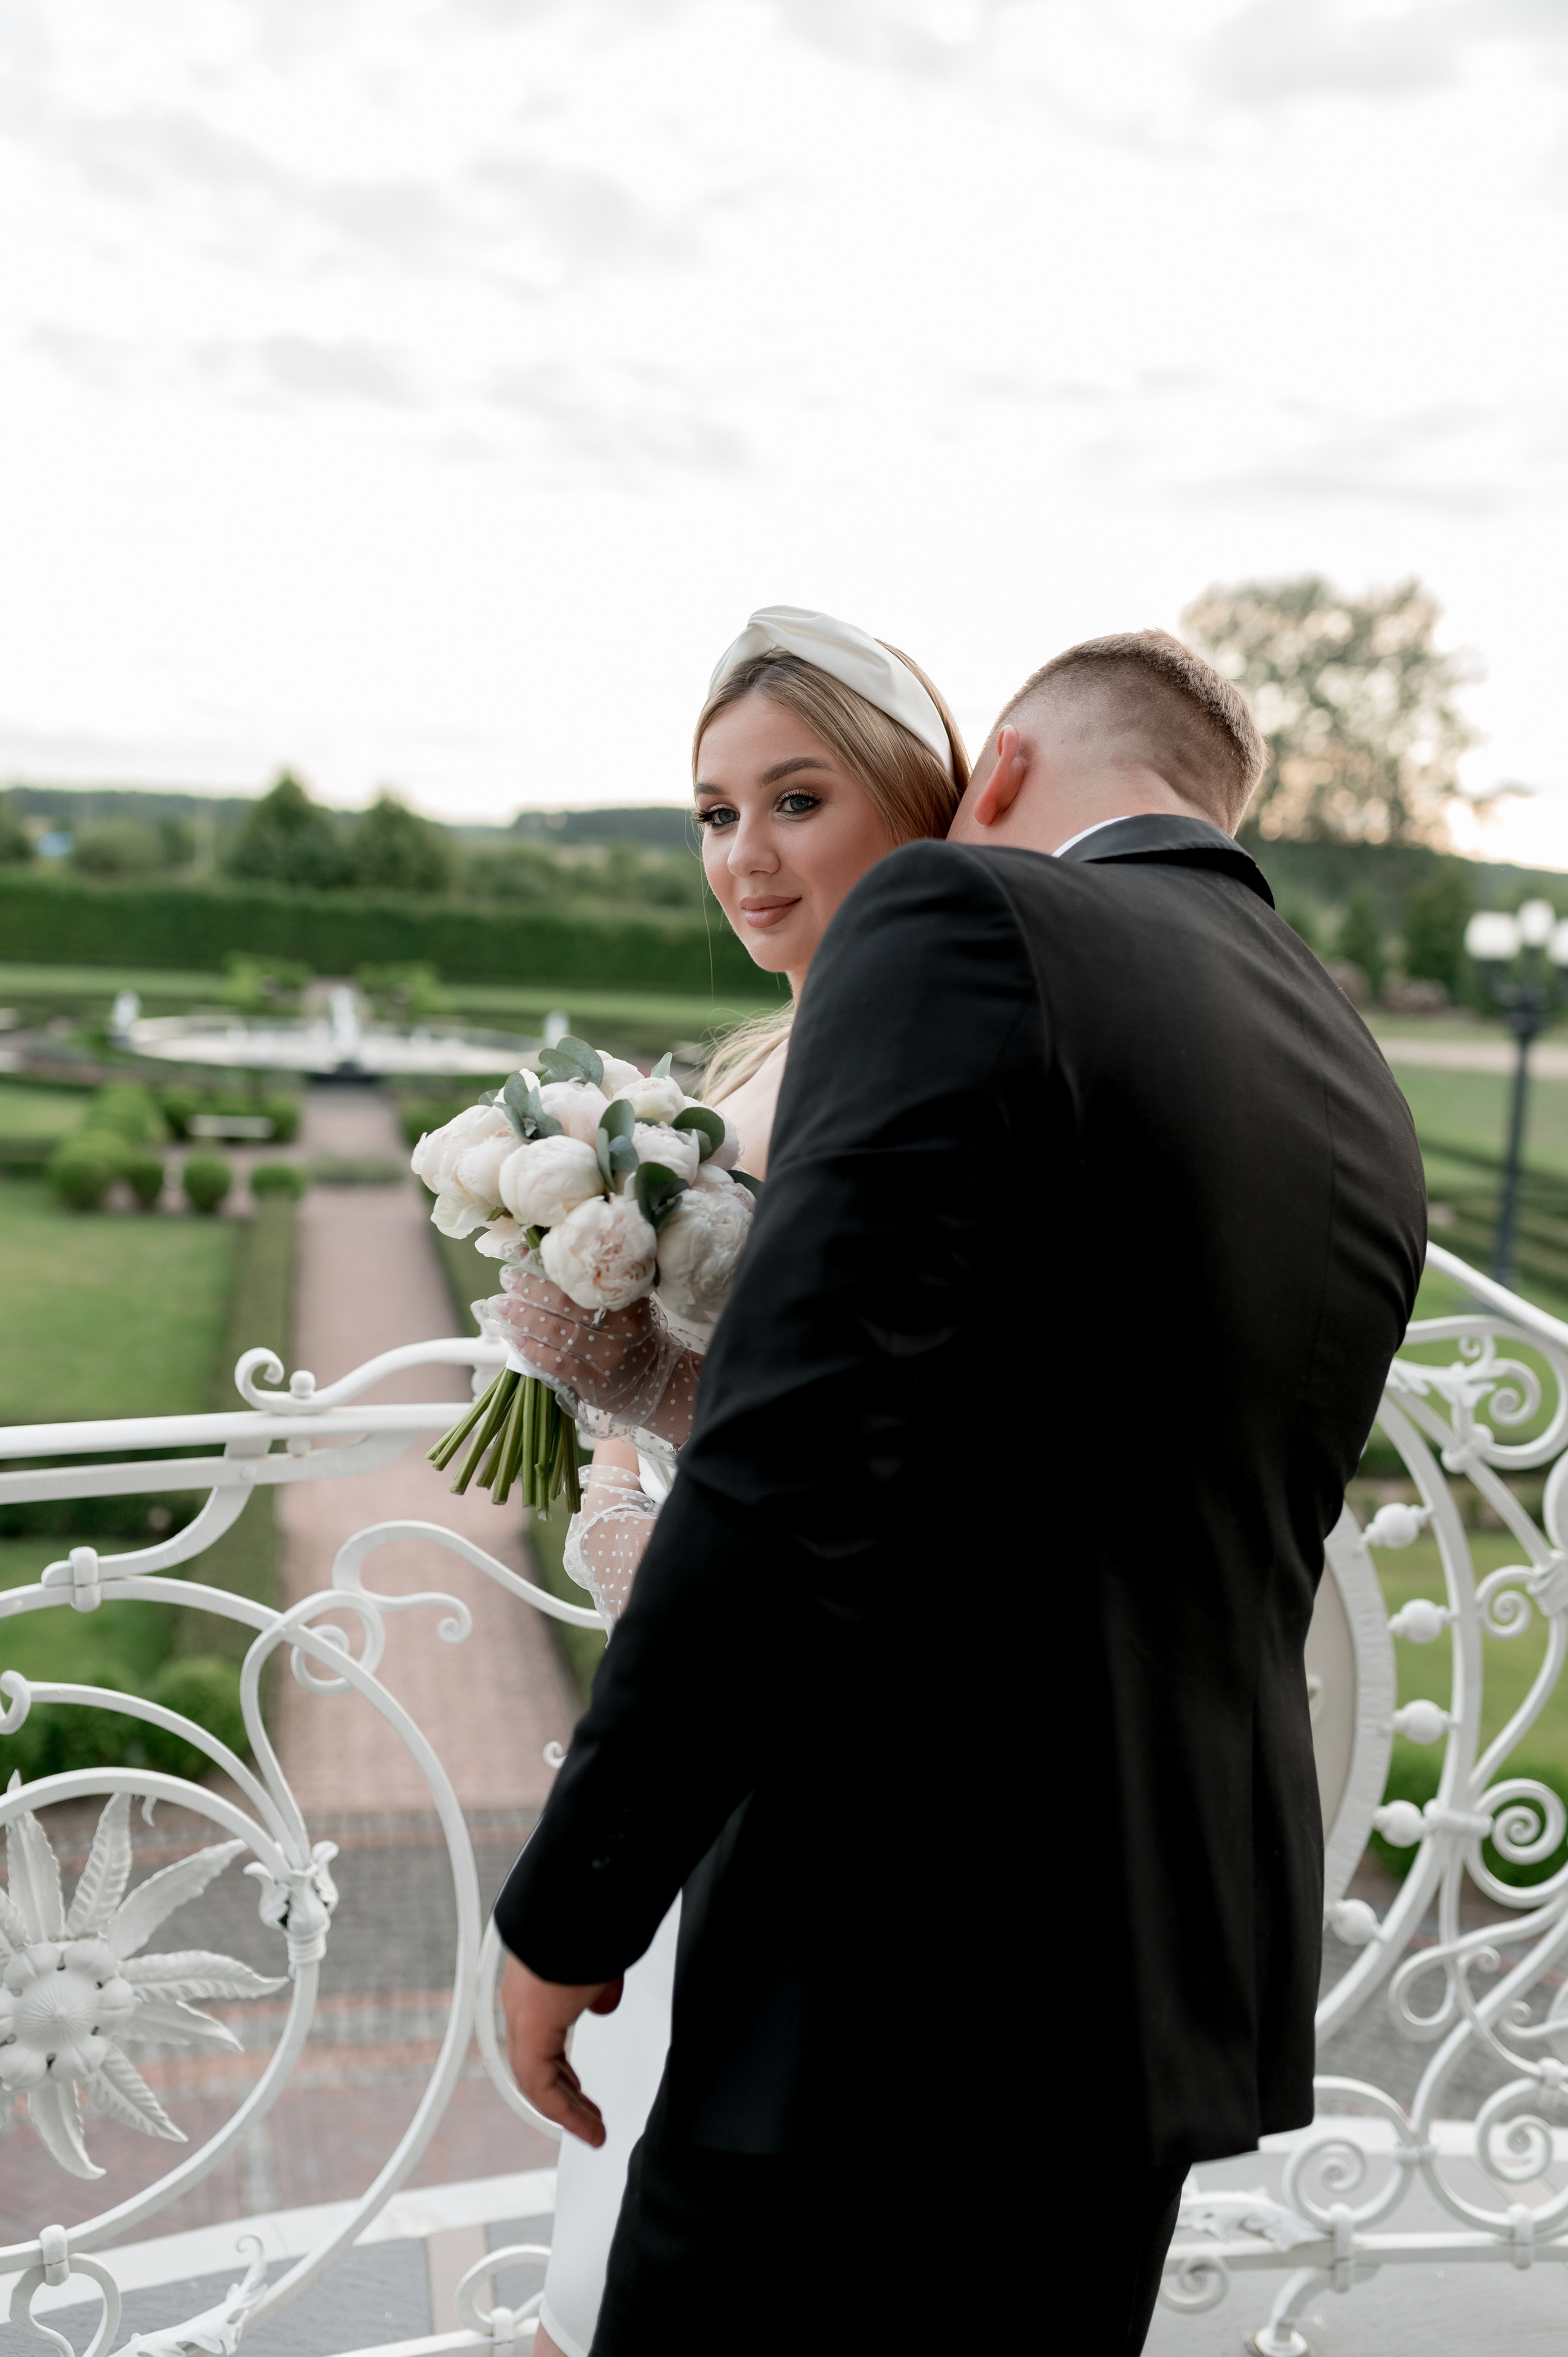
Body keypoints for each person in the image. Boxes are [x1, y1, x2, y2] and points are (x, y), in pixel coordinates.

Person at [496, 629, 1427, 2354]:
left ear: (990, 773)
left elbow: (792, 1469)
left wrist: (576, 1900)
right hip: (1160, 1981)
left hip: (890, 1970)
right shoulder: (1346, 1064)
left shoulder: (964, 920)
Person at [512, 607, 968, 2357]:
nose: (745, 857)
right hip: (676, 1696)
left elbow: (848, 1437)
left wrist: (626, 1369)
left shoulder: (919, 1052)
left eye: (796, 799)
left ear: (916, 800)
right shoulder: (765, 1054)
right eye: (714, 811)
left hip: (780, 1738)